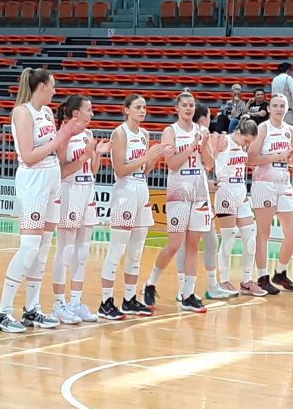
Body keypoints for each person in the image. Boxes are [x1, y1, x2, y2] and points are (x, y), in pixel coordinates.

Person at [0, 68, 86, 333]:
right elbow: (29, 155)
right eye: (52, 86)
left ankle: (32, 308)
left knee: (43, 250)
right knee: (29, 248)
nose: (55, 91)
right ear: (42, 86)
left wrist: (68, 135)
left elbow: (53, 149)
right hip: (33, 181)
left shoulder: (45, 112)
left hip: (51, 181)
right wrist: (60, 137)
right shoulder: (22, 112)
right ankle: (3, 312)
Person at [99, 94, 170, 320]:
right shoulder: (119, 133)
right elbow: (120, 170)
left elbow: (143, 170)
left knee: (136, 251)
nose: (142, 111)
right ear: (126, 110)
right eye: (138, 107)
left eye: (145, 107)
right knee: (117, 250)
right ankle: (105, 302)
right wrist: (146, 157)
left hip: (141, 188)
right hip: (125, 191)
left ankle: (129, 299)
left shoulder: (145, 134)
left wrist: (154, 159)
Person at [143, 92, 212, 313]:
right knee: (174, 245)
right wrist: (192, 147)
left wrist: (205, 145)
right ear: (177, 108)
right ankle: (150, 283)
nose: (189, 108)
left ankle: (188, 294)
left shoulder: (202, 131)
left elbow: (209, 164)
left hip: (199, 192)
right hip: (178, 191)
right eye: (185, 105)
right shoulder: (170, 131)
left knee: (193, 246)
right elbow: (172, 164)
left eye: (191, 105)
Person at [51, 95, 111, 324]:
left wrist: (97, 155)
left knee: (83, 251)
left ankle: (76, 301)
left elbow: (92, 170)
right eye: (89, 109)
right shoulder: (63, 134)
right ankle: (59, 304)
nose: (92, 113)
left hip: (88, 190)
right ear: (76, 113)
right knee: (65, 250)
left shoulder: (88, 134)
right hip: (69, 191)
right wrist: (85, 155)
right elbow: (61, 171)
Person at [175, 103, 237, 300]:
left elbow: (207, 166)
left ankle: (212, 285)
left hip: (200, 193)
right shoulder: (178, 134)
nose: (211, 121)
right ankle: (182, 289)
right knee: (185, 243)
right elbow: (176, 166)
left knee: (211, 241)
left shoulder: (205, 136)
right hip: (183, 193)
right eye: (209, 117)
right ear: (203, 119)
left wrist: (207, 181)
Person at [247, 94, 293, 295]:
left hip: (283, 182)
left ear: (287, 108)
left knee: (292, 233)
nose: (279, 109)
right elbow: (251, 158)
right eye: (275, 105)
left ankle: (280, 272)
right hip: (264, 182)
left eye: (282, 105)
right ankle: (262, 277)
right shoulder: (263, 128)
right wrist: (277, 156)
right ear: (269, 108)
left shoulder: (291, 130)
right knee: (264, 233)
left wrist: (290, 159)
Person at [210, 119, 266, 296]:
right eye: (246, 140)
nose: (247, 144)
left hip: (240, 189)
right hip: (225, 190)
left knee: (250, 237)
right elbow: (208, 160)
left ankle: (247, 281)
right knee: (229, 237)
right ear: (239, 132)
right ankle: (224, 280)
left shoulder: (243, 145)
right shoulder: (224, 141)